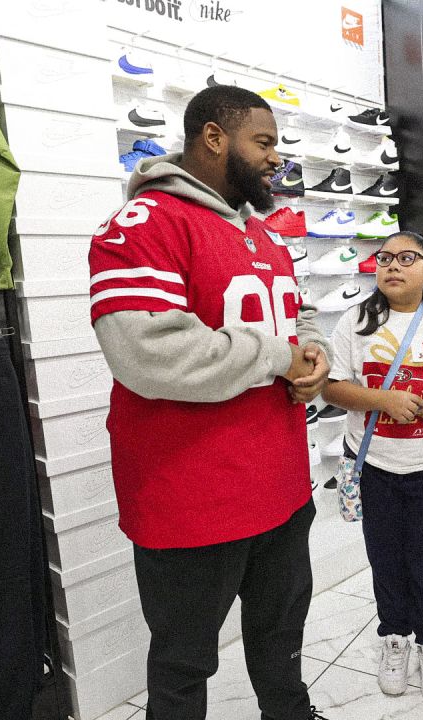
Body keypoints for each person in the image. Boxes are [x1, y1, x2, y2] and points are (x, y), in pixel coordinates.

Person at [87, 86, 331, 720]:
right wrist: (278, 358)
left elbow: (296, 318)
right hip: (190, 499)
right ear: (215, 138)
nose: (276, 158)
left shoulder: (267, 236)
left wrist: (313, 351)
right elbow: (149, 354)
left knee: (281, 645)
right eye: (265, 141)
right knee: (183, 664)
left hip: (281, 488)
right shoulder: (144, 224)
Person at [320, 231, 423, 703]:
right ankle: (394, 637)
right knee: (385, 559)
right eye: (384, 258)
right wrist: (382, 399)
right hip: (374, 464)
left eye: (406, 258)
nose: (392, 265)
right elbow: (331, 388)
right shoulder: (356, 320)